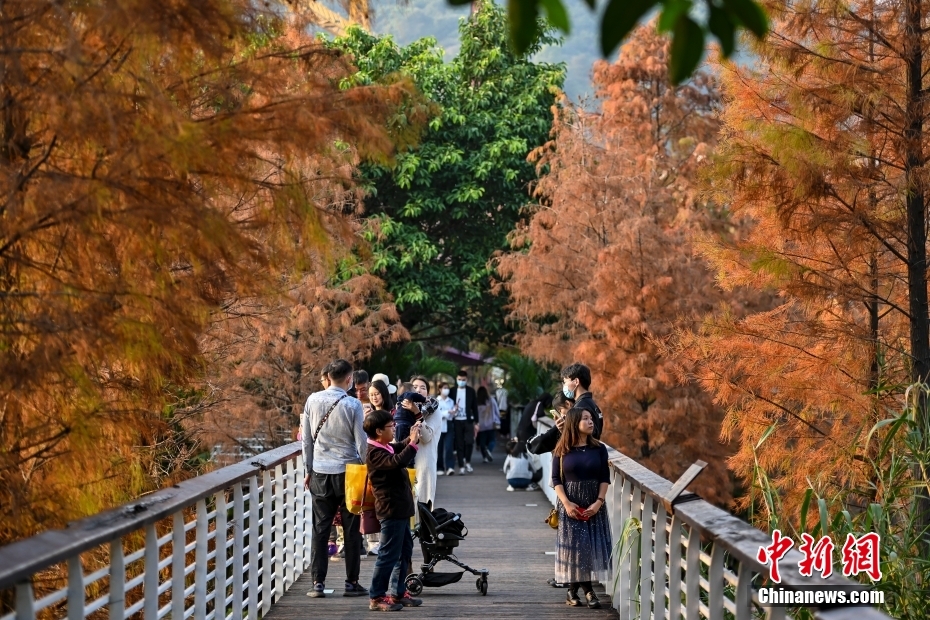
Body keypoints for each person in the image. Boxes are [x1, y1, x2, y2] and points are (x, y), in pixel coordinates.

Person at [301, 359, 368, 598]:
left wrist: (308, 469)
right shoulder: (353, 404)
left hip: (319, 472)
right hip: (348, 472)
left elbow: (306, 440)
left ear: (328, 377)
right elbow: (361, 442)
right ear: (349, 379)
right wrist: (365, 467)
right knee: (351, 530)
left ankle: (317, 583)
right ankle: (351, 583)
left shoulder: (312, 400)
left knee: (320, 528)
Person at [364, 409, 424, 611]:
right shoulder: (374, 453)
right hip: (390, 510)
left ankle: (398, 593)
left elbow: (397, 448)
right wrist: (413, 443)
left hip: (400, 509)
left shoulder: (384, 446)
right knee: (388, 555)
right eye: (391, 426)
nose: (394, 428)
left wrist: (411, 437)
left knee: (404, 552)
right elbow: (397, 461)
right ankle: (377, 596)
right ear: (379, 431)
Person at [552, 407, 612, 609]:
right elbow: (555, 479)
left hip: (593, 504)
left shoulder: (599, 448)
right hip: (571, 505)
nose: (590, 421)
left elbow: (605, 477)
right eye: (585, 419)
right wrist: (567, 504)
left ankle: (572, 591)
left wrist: (598, 502)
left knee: (586, 548)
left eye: (591, 418)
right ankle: (588, 591)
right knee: (579, 548)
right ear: (574, 423)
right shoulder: (561, 449)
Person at [529, 363, 603, 455]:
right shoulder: (592, 404)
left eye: (565, 382)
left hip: (581, 458)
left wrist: (564, 430)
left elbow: (586, 436)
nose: (564, 386)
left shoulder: (579, 408)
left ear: (576, 381)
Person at [410, 375, 441, 506]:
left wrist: (417, 413)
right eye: (415, 387)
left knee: (423, 505)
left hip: (424, 463)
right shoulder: (402, 410)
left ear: (427, 393)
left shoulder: (434, 410)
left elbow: (426, 437)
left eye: (423, 388)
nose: (418, 390)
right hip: (406, 461)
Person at [449, 369, 478, 474]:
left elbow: (475, 407)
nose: (461, 381)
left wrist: (477, 422)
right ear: (456, 379)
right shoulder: (452, 391)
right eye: (459, 379)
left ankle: (468, 461)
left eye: (463, 379)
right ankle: (461, 466)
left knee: (469, 442)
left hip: (468, 420)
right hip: (456, 420)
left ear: (467, 380)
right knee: (459, 443)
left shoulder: (471, 391)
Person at [435, 382, 455, 476]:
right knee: (439, 448)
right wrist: (448, 412)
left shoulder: (451, 401)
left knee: (449, 447)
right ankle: (440, 467)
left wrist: (453, 411)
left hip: (449, 426)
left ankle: (450, 467)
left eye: (447, 387)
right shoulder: (436, 401)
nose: (446, 389)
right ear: (440, 389)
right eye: (444, 388)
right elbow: (437, 414)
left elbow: (451, 416)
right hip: (439, 426)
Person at [476, 386, 500, 463]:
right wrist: (498, 419)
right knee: (492, 440)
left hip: (481, 426)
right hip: (491, 424)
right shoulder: (491, 400)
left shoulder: (477, 402)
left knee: (482, 443)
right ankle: (488, 450)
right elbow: (497, 411)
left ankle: (485, 457)